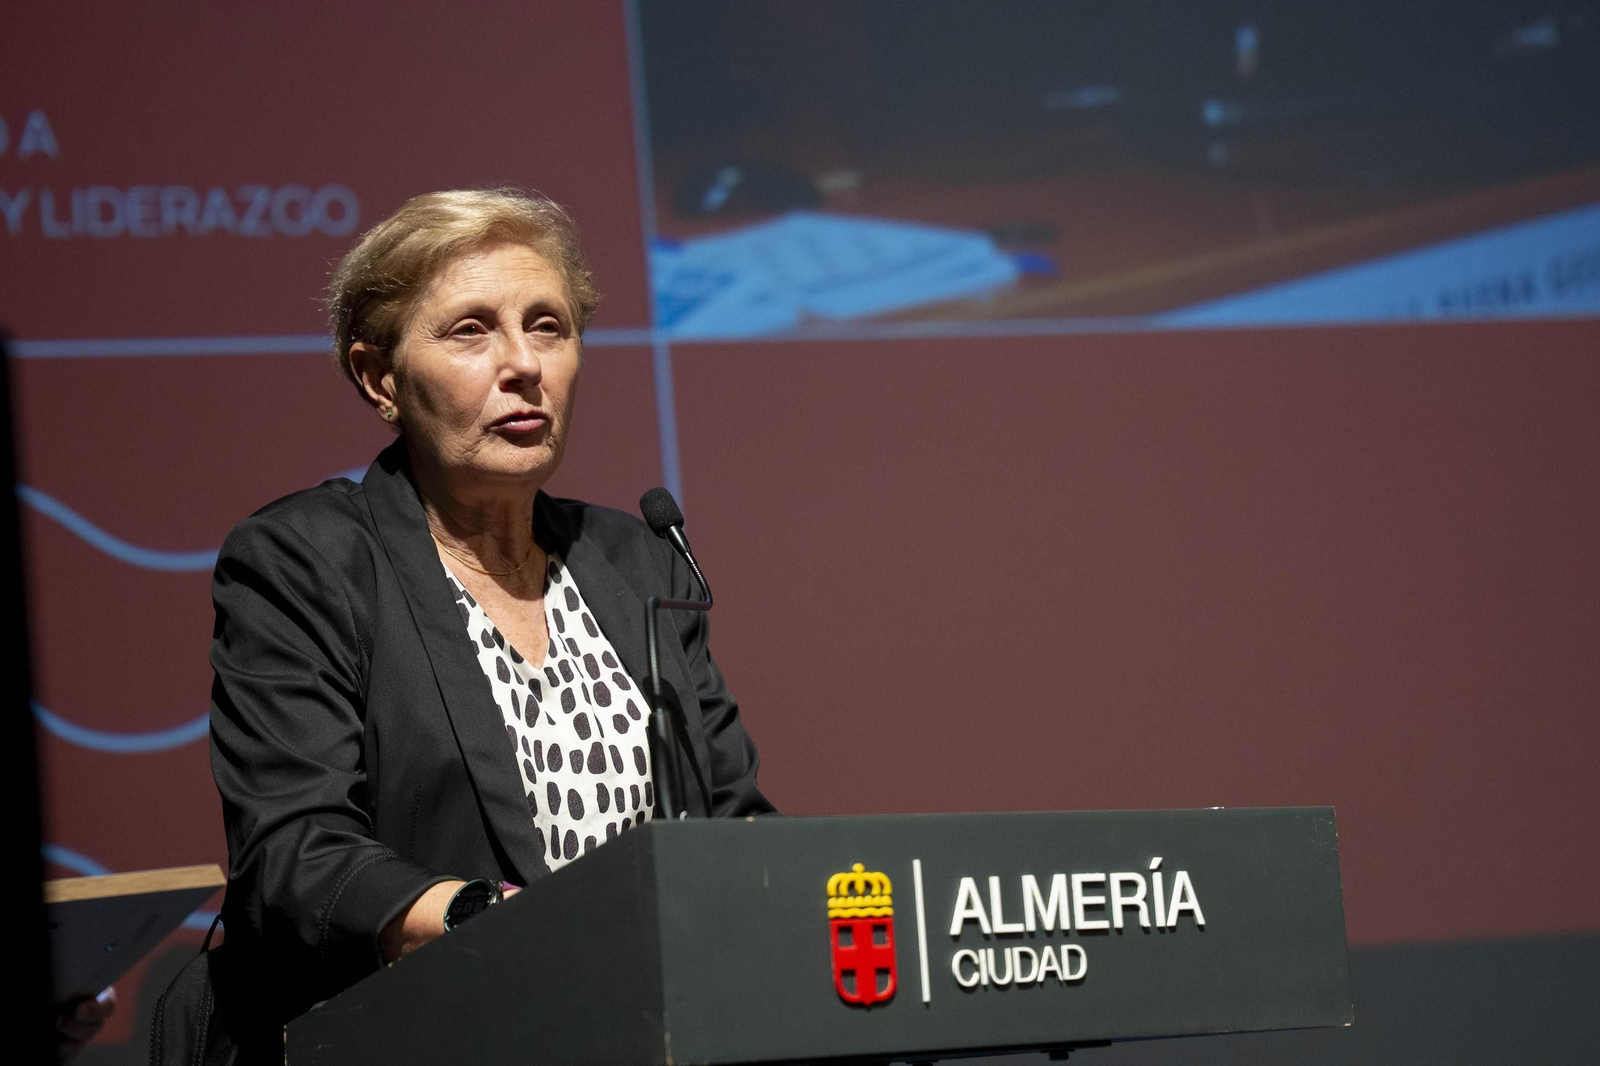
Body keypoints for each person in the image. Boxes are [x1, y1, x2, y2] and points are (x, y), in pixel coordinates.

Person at [203, 188, 774, 1057]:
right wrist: (496, 920)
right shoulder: (308, 560)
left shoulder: (636, 559)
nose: (523, 364)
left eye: (547, 326)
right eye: (471, 330)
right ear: (379, 378)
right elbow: (296, 851)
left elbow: (730, 821)